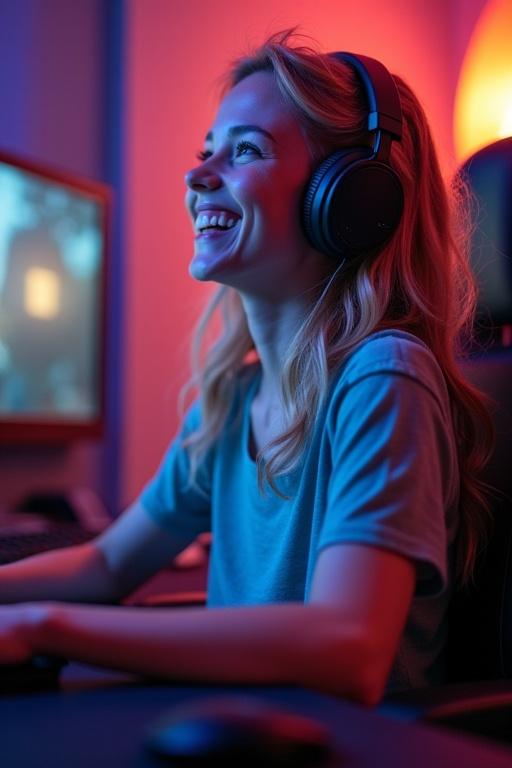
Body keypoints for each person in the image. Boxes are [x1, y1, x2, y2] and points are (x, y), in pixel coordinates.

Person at [0, 30, 493, 706]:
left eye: (245, 151)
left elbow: (348, 645)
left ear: (350, 202)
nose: (197, 175)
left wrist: (42, 628)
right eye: (208, 150)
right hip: (244, 731)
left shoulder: (382, 378)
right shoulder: (236, 397)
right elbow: (108, 562)